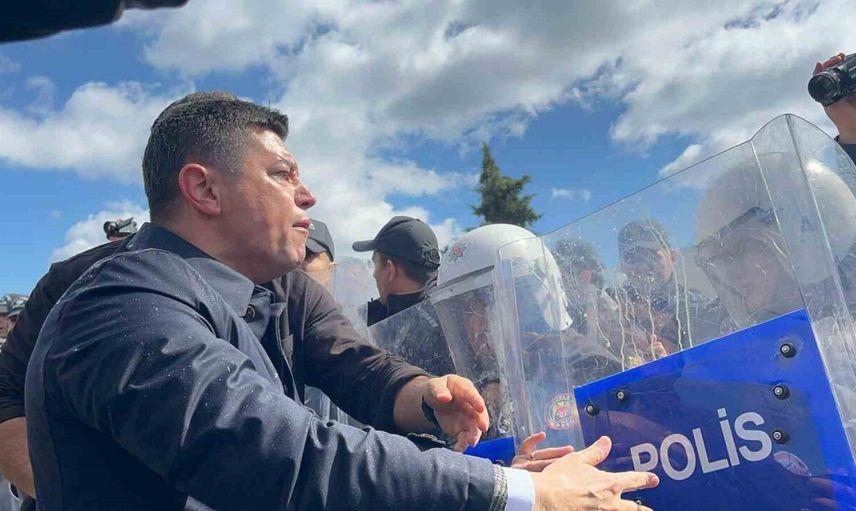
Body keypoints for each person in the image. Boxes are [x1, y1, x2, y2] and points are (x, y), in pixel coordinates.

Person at [21, 92, 658, 510]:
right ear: (204, 190)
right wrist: (519, 494)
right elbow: (287, 458)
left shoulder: (267, 292)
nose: (309, 196)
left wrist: (431, 404)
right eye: (282, 174)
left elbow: (351, 367)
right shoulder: (123, 306)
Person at [614, 219, 709, 352]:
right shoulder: (617, 320)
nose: (643, 267)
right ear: (623, 268)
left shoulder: (697, 308)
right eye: (632, 260)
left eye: (652, 257)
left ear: (672, 257)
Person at [353, 216, 441, 326]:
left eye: (375, 264)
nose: (374, 275)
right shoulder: (447, 310)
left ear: (390, 269)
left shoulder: (416, 327)